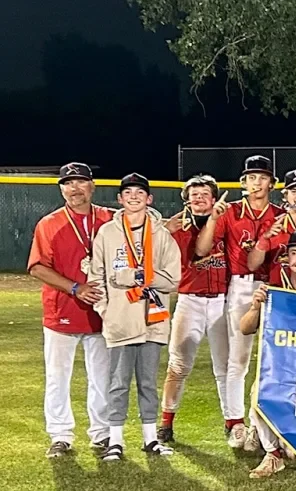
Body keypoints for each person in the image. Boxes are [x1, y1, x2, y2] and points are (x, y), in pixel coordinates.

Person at [88, 173, 181, 462]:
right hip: (121, 320)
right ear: (120, 199)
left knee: (148, 383)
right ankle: (115, 441)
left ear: (149, 198)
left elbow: (173, 279)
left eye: (140, 192)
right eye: (128, 192)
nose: (134, 197)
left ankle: (150, 439)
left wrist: (137, 276)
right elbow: (97, 276)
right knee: (117, 383)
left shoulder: (161, 233)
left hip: (152, 319)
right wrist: (105, 310)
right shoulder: (107, 233)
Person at [195, 155, 283, 449]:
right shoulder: (231, 211)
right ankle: (235, 423)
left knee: (276, 360)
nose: (256, 183)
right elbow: (202, 249)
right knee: (239, 359)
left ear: (271, 182)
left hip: (276, 287)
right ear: (244, 182)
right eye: (251, 177)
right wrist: (213, 219)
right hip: (242, 285)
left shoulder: (280, 213)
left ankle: (266, 425)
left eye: (262, 177)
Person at [27, 163, 114, 458]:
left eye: (80, 182)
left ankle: (102, 435)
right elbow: (37, 267)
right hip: (62, 309)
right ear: (61, 189)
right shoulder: (50, 224)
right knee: (58, 377)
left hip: (102, 311)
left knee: (102, 377)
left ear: (92, 185)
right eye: (68, 183)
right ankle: (60, 435)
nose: (74, 188)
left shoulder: (108, 219)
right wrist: (76, 288)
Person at [239, 229, 296, 478]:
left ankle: (292, 440)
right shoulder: (276, 286)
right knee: (259, 391)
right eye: (293, 253)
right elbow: (245, 328)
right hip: (282, 367)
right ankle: (273, 454)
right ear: (287, 257)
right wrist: (256, 307)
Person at [158, 175, 229, 444]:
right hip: (190, 299)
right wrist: (164, 230)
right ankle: (166, 422)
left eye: (204, 195)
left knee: (224, 366)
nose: (198, 199)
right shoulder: (176, 225)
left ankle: (231, 421)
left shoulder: (227, 222)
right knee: (178, 364)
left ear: (213, 199)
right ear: (186, 199)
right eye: (194, 195)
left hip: (221, 299)